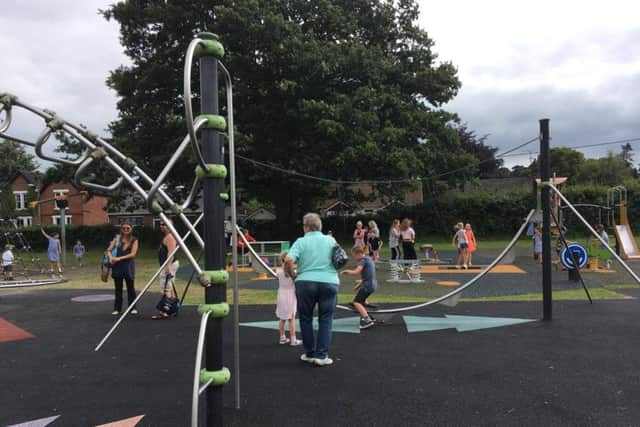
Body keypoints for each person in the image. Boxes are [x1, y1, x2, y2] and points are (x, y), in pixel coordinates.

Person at [284, 213, 339, 366]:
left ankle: (309, 353)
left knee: (306, 318)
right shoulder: (330, 240)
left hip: (305, 282)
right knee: (326, 318)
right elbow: (340, 258)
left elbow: (288, 260)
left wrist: (293, 274)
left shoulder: (301, 242)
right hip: (329, 281)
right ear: (320, 226)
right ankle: (321, 356)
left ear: (305, 227)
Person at [341, 246, 379, 329]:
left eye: (354, 255)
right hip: (372, 284)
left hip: (368, 286)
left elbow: (356, 272)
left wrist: (347, 271)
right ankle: (367, 308)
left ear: (359, 254)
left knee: (357, 302)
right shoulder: (369, 258)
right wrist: (358, 285)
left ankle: (367, 320)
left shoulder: (363, 260)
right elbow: (368, 275)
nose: (354, 258)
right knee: (360, 299)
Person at [107, 222, 139, 316]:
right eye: (124, 228)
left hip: (128, 266)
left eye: (128, 228)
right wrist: (110, 257)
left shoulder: (134, 240)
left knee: (130, 288)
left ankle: (133, 307)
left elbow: (133, 254)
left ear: (131, 229)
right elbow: (109, 250)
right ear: (121, 229)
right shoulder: (117, 238)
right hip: (117, 266)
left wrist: (119, 258)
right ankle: (117, 308)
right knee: (118, 288)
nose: (125, 230)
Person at [153, 220, 180, 319]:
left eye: (164, 224)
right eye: (160, 225)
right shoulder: (167, 236)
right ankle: (172, 309)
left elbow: (171, 253)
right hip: (167, 265)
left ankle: (165, 311)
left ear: (170, 226)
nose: (161, 226)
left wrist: (168, 266)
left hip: (169, 264)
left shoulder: (170, 237)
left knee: (166, 287)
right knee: (169, 286)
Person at [275, 251, 302, 346]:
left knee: (282, 318)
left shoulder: (278, 271)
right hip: (290, 295)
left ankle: (282, 338)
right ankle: (293, 340)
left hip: (281, 294)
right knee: (291, 318)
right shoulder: (294, 273)